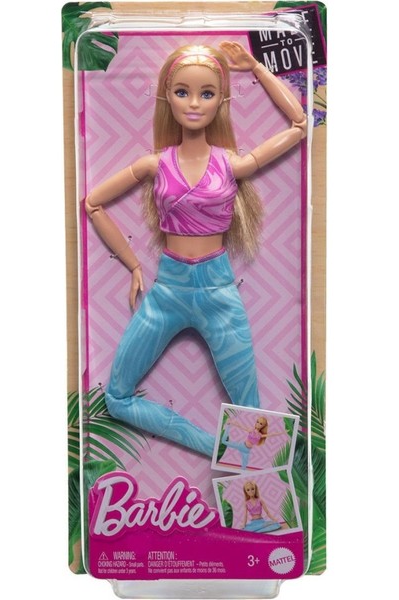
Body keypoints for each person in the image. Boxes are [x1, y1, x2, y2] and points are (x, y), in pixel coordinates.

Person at [85, 41, 306, 457]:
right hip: (167, 290)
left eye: (206, 93)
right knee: (117, 397)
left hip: (218, 290)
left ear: (221, 100)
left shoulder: (230, 164)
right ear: (166, 96)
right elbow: (93, 203)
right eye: (182, 91)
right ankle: (216, 449)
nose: (193, 103)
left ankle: (255, 485)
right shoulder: (154, 164)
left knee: (250, 409)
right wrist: (133, 265)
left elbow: (299, 124)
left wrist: (255, 67)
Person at [221, 415, 285, 470]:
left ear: (263, 426)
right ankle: (228, 426)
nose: (258, 424)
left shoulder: (260, 435)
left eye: (261, 424)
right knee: (224, 441)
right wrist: (232, 423)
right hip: (241, 445)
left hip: (247, 451)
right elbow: (241, 426)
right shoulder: (251, 430)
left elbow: (271, 434)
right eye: (257, 422)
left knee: (244, 465)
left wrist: (282, 432)